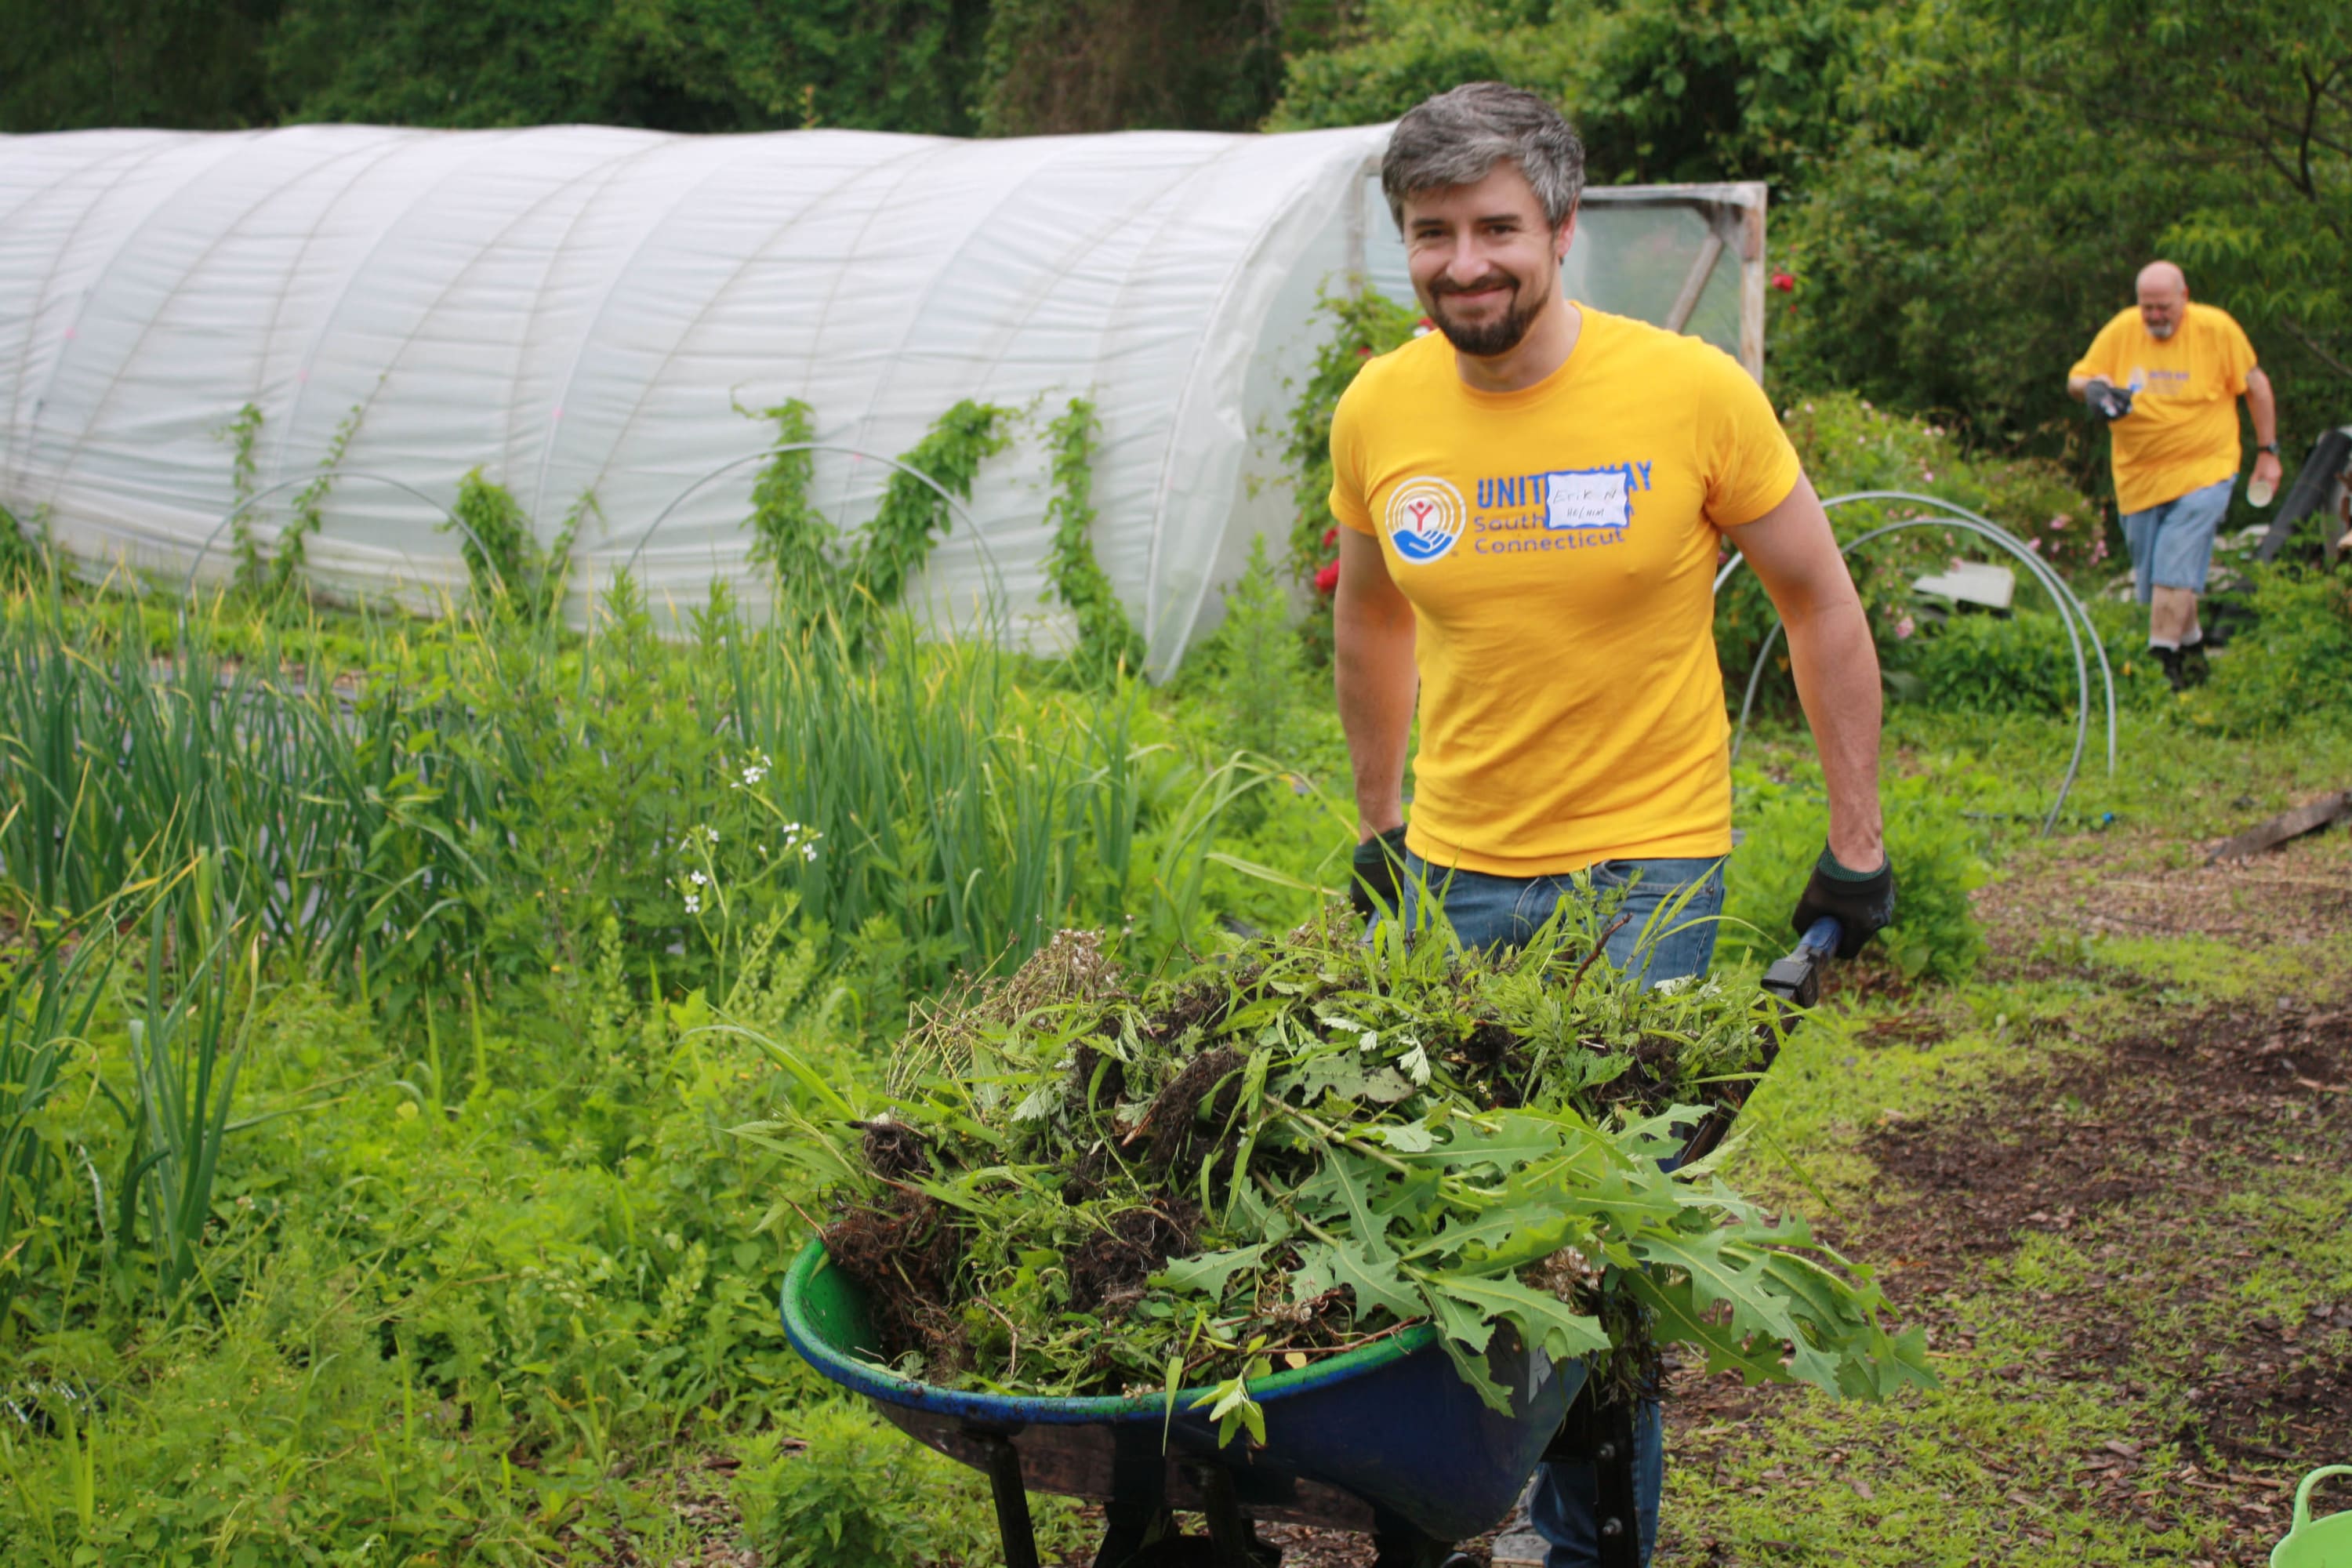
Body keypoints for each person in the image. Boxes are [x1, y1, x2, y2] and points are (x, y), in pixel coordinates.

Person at [1328, 82, 1894, 1568]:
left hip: (1650, 864)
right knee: (1464, 1209)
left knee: (1599, 1221)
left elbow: (1819, 600)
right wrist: (1381, 822)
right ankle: (1469, 1497)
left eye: (1495, 228)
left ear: (1562, 228)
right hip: (1458, 868)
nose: (1465, 264)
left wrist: (1857, 840)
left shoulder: (1689, 392)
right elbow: (1371, 614)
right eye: (1432, 233)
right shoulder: (1380, 410)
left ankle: (1586, 1538)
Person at [2067, 261, 2281, 691]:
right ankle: (2193, 651)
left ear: (2184, 297)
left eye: (2163, 307)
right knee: (2156, 582)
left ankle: (2161, 670)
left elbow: (2256, 387)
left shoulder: (2216, 330)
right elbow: (2077, 378)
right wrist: (2093, 389)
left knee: (2173, 565)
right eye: (2147, 307)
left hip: (2206, 469)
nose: (2154, 316)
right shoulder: (2123, 329)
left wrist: (2268, 452)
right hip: (2139, 477)